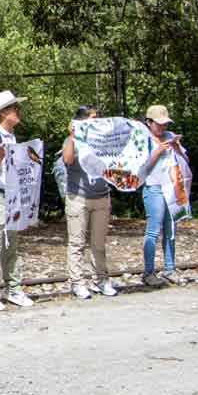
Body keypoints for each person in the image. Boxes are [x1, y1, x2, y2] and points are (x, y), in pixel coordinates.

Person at [0, 91, 34, 312]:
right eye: (13, 108)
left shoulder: (11, 136)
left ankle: (13, 288)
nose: (18, 112)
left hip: (12, 196)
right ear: (3, 112)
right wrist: (0, 156)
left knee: (12, 243)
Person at [61, 106, 118, 300]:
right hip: (79, 197)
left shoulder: (102, 140)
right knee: (77, 243)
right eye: (93, 118)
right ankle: (77, 282)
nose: (97, 121)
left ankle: (101, 279)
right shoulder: (73, 140)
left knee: (99, 243)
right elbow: (67, 160)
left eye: (98, 118)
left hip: (101, 196)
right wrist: (71, 136)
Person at [140, 104, 187, 287]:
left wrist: (176, 148)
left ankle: (169, 268)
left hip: (171, 187)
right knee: (153, 230)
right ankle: (148, 272)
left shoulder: (170, 136)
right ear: (149, 122)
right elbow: (140, 168)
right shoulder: (143, 139)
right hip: (153, 188)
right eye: (159, 124)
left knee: (171, 229)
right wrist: (157, 151)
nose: (162, 128)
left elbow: (186, 161)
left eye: (165, 124)